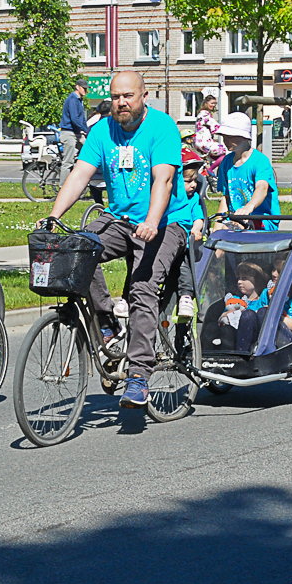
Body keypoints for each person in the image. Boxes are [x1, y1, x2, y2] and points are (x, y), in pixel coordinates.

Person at [45, 70, 184, 408]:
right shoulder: (102, 130)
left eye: (129, 96)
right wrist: (54, 216)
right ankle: (107, 325)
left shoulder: (162, 127)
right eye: (116, 96)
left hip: (165, 222)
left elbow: (163, 181)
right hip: (119, 220)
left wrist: (152, 221)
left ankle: (138, 377)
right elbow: (80, 174)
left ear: (143, 96)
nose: (121, 102)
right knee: (76, 249)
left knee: (142, 289)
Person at [214, 111, 280, 231]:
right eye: (224, 136)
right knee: (218, 237)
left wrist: (249, 207)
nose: (225, 140)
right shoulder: (226, 162)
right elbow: (226, 197)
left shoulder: (260, 161)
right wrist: (216, 226)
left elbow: (262, 188)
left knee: (233, 230)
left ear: (244, 137)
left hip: (262, 218)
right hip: (235, 218)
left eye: (230, 136)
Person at [170, 148, 208, 322]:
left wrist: (196, 229)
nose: (193, 185)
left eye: (194, 181)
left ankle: (186, 296)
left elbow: (199, 218)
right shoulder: (168, 196)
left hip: (184, 241)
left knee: (185, 265)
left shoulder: (193, 200)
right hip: (167, 240)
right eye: (188, 181)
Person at [59, 78, 90, 185]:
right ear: (78, 87)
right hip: (68, 133)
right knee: (67, 162)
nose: (86, 91)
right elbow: (75, 119)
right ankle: (63, 188)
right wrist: (84, 130)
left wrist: (87, 130)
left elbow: (81, 119)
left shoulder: (79, 100)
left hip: (75, 133)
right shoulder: (73, 99)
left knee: (87, 151)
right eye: (84, 88)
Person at [194, 96, 227, 173]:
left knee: (219, 158)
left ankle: (213, 174)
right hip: (203, 142)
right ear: (206, 103)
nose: (214, 105)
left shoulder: (201, 113)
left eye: (215, 103)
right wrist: (227, 131)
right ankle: (211, 170)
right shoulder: (205, 114)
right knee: (224, 152)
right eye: (212, 103)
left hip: (199, 142)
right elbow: (215, 125)